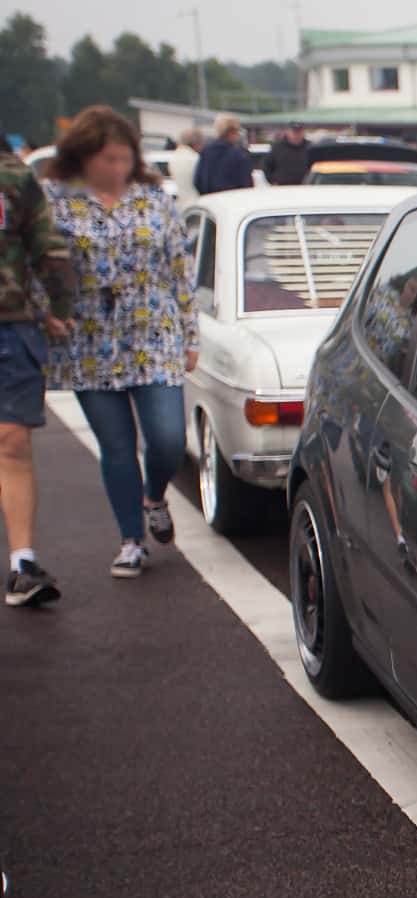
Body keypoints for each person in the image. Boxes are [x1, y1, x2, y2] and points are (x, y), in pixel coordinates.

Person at [43, 106, 197, 580]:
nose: (117, 168)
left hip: (154, 329)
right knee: (116, 445)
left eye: (124, 158)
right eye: (107, 159)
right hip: (89, 336)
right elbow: (39, 262)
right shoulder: (57, 200)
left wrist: (190, 333)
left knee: (169, 438)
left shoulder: (154, 199)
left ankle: (154, 496)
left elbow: (180, 268)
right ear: (83, 157)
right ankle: (131, 540)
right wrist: (46, 310)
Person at [0, 144, 77, 607]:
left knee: (11, 441)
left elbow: (47, 244)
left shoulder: (13, 177)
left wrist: (60, 304)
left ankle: (22, 565)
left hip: (10, 327)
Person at [194, 114, 253, 194]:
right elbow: (246, 184)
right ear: (233, 132)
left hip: (210, 198)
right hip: (233, 198)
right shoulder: (240, 154)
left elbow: (198, 181)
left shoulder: (206, 152)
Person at [168, 126, 203, 204]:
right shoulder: (195, 159)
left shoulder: (174, 158)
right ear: (196, 144)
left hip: (180, 202)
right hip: (196, 202)